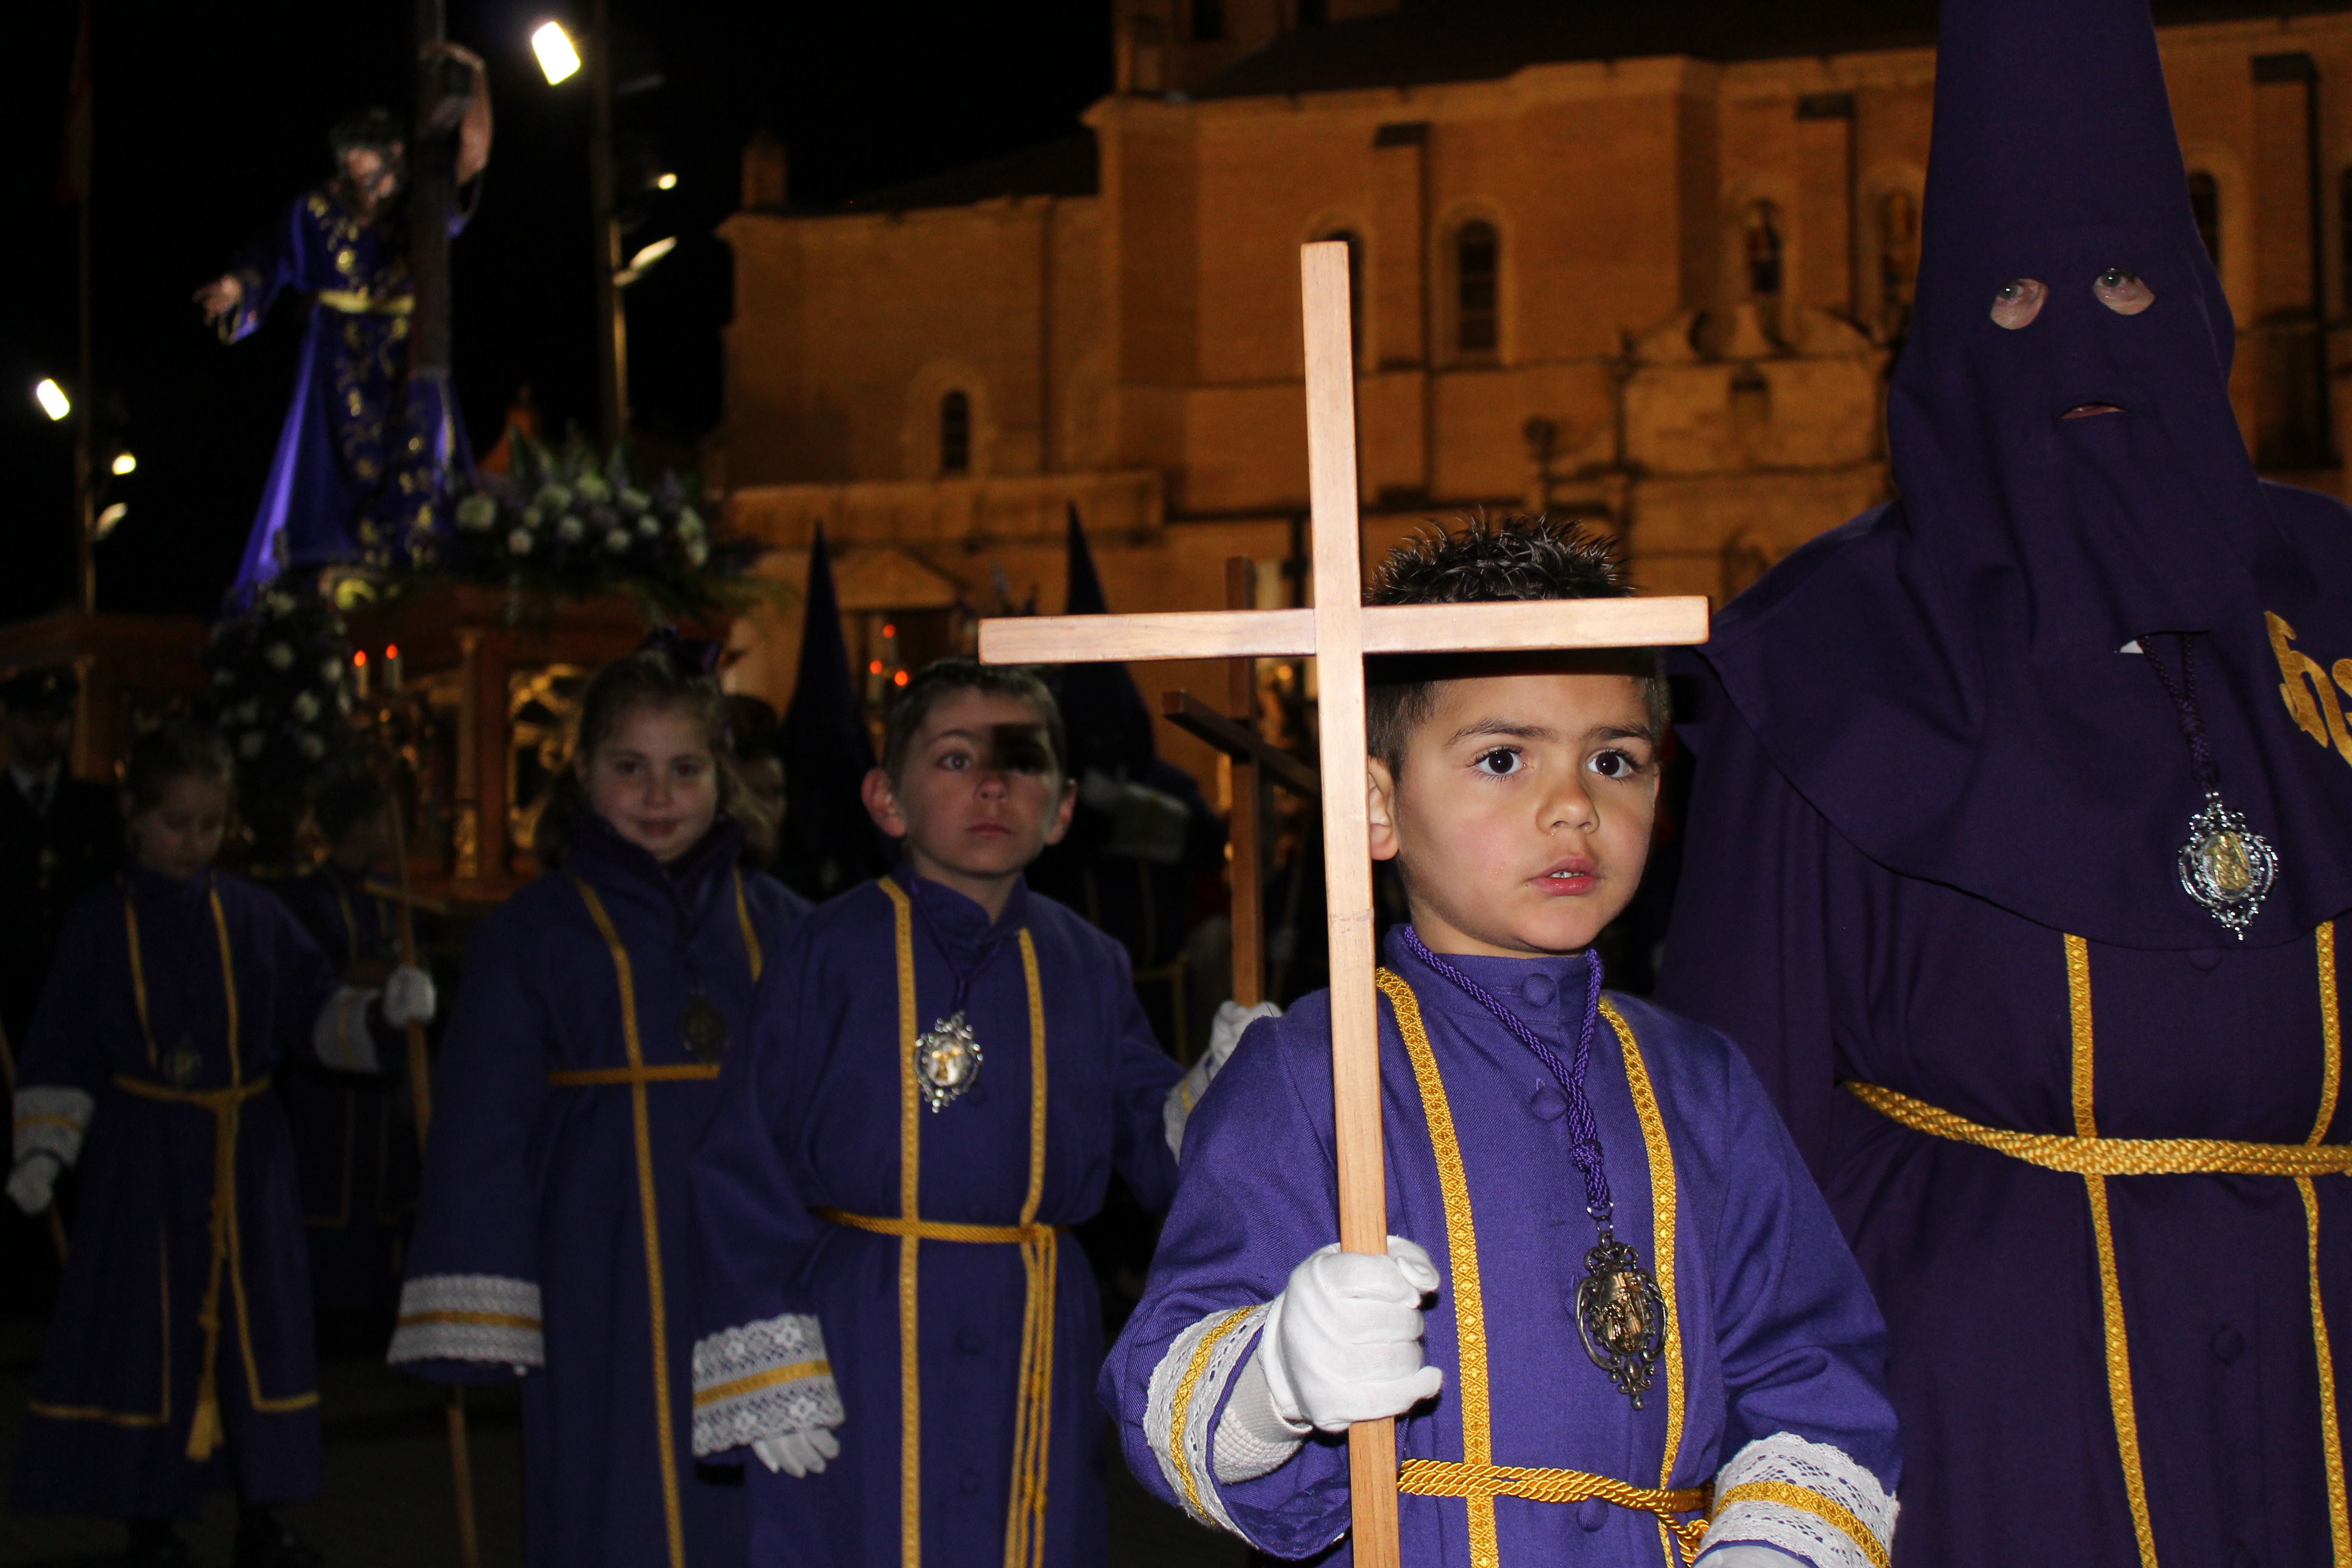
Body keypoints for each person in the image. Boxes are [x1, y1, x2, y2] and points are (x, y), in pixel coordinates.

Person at [1653, 1, 2352, 1563]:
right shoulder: (1828, 657)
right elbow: (1742, 1109)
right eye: (2021, 302)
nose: (2085, 346)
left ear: (2199, 308)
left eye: (2124, 287)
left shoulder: (2340, 600)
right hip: (1996, 1401)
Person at [1103, 517, 1900, 1567]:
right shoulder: (1308, 1071)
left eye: (1614, 757)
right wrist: (1278, 1377)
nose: (1571, 804)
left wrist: (1770, 1545)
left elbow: (1812, 1366)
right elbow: (1164, 1379)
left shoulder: (1702, 1081)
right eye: (1501, 756)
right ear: (1374, 804)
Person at [689, 658, 1225, 1568]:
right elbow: (742, 1157)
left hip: (1034, 1325)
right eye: (953, 759)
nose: (989, 784)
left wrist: (1219, 1093)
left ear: (1060, 808)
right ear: (886, 799)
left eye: (1021, 762)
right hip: (859, 1328)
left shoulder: (1088, 963)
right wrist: (766, 1352)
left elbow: (1153, 1131)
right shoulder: (823, 949)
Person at [388, 640, 807, 1568]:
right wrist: (481, 1298)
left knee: (768, 1491)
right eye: (631, 768)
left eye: (684, 770)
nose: (659, 796)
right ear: (582, 773)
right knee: (612, 1474)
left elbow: (834, 1103)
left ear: (721, 778)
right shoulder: (531, 932)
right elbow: (483, 1124)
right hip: (596, 1260)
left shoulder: (785, 924)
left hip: (756, 1259)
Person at [6, 722, 436, 1567]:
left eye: (209, 824)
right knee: (148, 1333)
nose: (192, 842)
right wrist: (44, 1149)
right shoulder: (100, 922)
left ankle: (264, 1511)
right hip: (143, 1155)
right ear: (134, 816)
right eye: (175, 822)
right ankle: (151, 1516)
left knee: (259, 1332)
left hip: (247, 1153)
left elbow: (313, 1016)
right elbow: (63, 1043)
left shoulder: (255, 916)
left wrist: (384, 1013)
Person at [195, 55, 492, 607]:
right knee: (330, 469)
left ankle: (417, 556)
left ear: (396, 162)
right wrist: (238, 287)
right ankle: (322, 567)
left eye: (376, 178)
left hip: (408, 348)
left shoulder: (419, 204)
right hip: (336, 357)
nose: (369, 193)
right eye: (356, 178)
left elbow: (472, 156)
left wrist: (476, 76)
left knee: (417, 457)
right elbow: (272, 258)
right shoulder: (315, 209)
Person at [274, 775, 419, 1320]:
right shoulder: (310, 900)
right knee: (334, 1183)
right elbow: (314, 977)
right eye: (386, 819)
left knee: (390, 1179)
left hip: (390, 1076)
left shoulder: (391, 894)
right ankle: (331, 1303)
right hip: (331, 1078)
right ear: (359, 825)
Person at [0, 666, 122, 1312]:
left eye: (54, 720)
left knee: (82, 1140)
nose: (43, 732)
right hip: (11, 1004)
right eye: (30, 719)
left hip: (81, 1006)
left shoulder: (96, 811)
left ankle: (74, 1282)